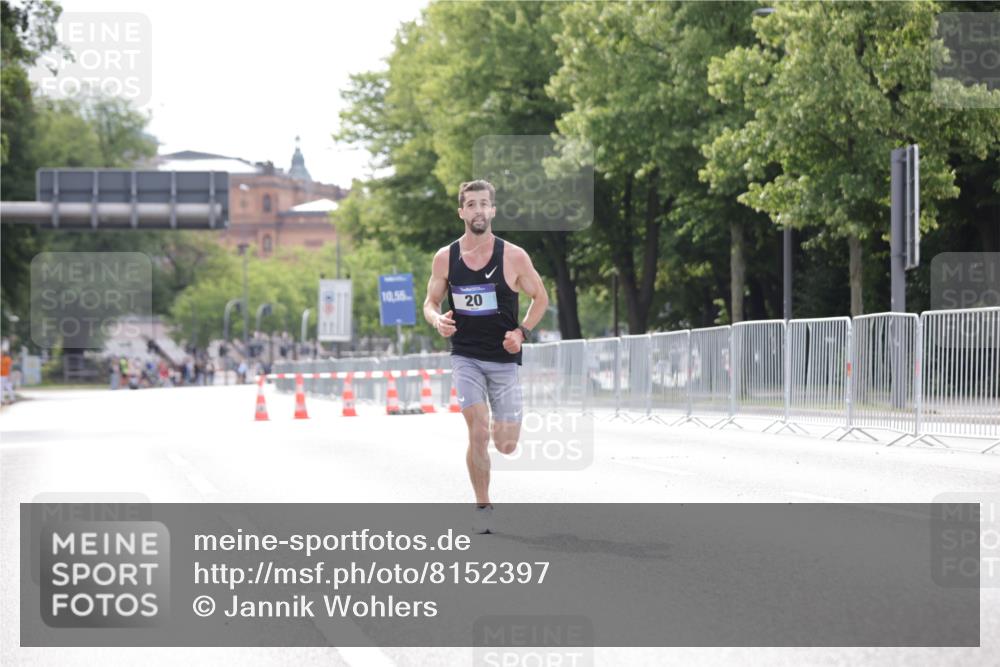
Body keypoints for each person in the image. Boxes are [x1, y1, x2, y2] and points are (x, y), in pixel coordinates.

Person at [423, 179, 549, 533]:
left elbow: (541, 298)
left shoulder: (514, 256)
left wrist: (521, 332)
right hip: (466, 356)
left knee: (506, 445)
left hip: (503, 359)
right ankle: (482, 506)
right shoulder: (445, 258)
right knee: (477, 429)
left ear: (492, 210)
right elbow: (430, 302)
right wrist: (438, 320)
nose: (478, 210)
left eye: (484, 204)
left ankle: (502, 427)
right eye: (471, 204)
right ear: (461, 211)